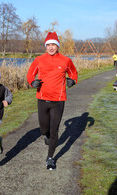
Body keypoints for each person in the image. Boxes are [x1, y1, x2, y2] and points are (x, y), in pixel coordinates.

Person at [27, 32, 78, 170]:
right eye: (48, 45)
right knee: (44, 128)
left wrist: (72, 81)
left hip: (58, 100)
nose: (50, 47)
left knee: (54, 129)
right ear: (45, 46)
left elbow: (73, 73)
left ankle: (50, 158)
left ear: (57, 46)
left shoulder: (66, 60)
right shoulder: (39, 59)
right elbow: (30, 74)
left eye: (53, 45)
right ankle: (46, 135)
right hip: (42, 99)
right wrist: (33, 83)